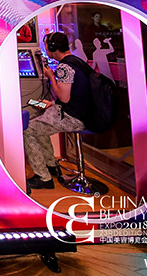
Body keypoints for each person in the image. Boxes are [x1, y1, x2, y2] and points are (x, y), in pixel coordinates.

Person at [23, 32, 92, 191]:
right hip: (81, 112)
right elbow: (74, 95)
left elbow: (64, 98)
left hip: (75, 118)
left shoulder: (64, 67)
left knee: (28, 129)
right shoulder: (76, 61)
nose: (46, 49)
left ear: (53, 47)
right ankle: (52, 166)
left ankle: (43, 178)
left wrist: (51, 77)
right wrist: (52, 104)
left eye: (47, 46)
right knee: (37, 119)